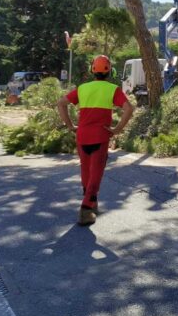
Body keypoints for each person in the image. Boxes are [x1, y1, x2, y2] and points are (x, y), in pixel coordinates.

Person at [57, 55, 133, 226]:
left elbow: (61, 103)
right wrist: (117, 129)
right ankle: (85, 209)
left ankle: (92, 203)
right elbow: (129, 108)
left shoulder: (83, 88)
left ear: (93, 70)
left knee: (86, 171)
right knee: (96, 174)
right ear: (109, 71)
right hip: (100, 136)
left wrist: (70, 125)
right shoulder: (113, 89)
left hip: (82, 135)